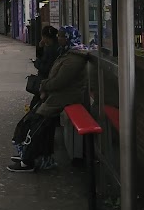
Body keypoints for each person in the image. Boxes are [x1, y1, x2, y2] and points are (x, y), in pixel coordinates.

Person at [9, 33, 90, 172]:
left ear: (69, 39)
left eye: (62, 36)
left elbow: (59, 81)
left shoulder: (73, 60)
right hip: (58, 95)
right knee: (36, 120)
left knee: (38, 123)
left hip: (64, 97)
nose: (59, 38)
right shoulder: (66, 54)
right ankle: (38, 156)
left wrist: (43, 86)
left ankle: (28, 161)